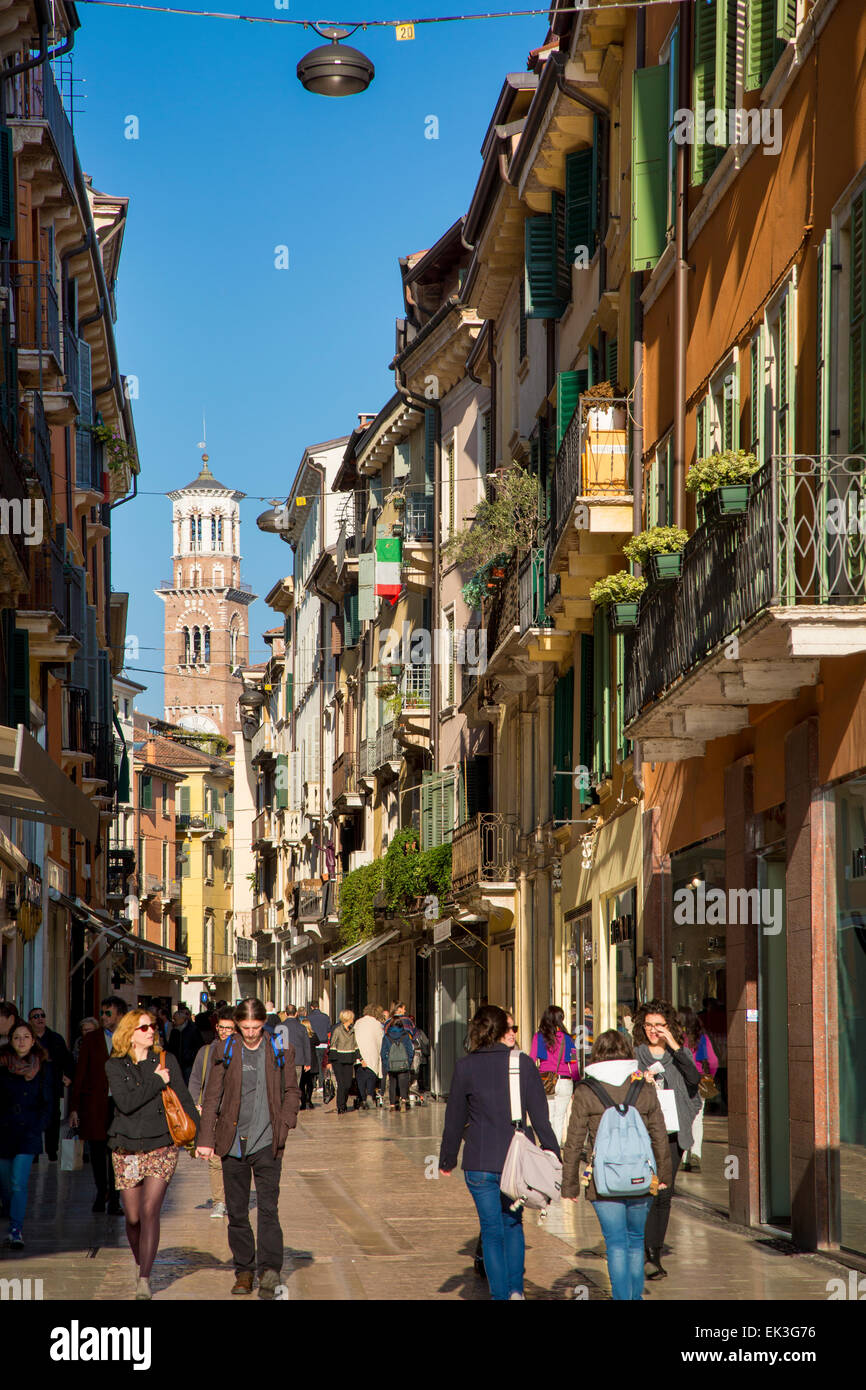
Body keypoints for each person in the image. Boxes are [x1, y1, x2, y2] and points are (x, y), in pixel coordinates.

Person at [439, 1004, 559, 1301]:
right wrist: (554, 1154)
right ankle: (517, 1290)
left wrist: (447, 1159)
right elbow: (541, 1117)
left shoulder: (465, 1066)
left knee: (491, 1231)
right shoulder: (524, 1064)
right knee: (513, 1225)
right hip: (516, 1161)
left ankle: (500, 1295)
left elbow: (454, 1118)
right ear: (502, 1030)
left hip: (479, 1161)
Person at [196, 998, 301, 1299]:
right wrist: (205, 1139)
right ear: (238, 1025)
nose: (251, 1033)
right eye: (246, 1028)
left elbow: (292, 1089)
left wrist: (287, 1119)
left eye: (256, 1027)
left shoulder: (281, 1049)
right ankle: (244, 1270)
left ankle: (269, 1272)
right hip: (232, 1144)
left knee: (268, 1210)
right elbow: (212, 1096)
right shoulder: (224, 1049)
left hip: (269, 1142)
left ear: (264, 1023)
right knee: (238, 1212)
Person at [561, 1029, 672, 1301]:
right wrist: (664, 1175)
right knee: (636, 1241)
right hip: (641, 1179)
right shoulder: (643, 1087)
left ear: (597, 1055)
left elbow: (573, 1142)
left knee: (616, 1245)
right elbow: (659, 1135)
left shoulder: (586, 1090)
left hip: (603, 1181)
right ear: (628, 1053)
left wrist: (570, 1185)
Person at [107, 1009, 198, 1300]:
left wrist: (201, 1136)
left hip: (162, 1145)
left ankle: (145, 1278)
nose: (151, 1031)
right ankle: (140, 1260)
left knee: (149, 1211)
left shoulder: (166, 1060)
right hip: (127, 1147)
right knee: (133, 1217)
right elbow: (126, 1102)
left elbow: (183, 1098)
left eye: (153, 1026)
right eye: (144, 1027)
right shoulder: (115, 1065)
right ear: (129, 1033)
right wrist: (157, 1081)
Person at [633, 1000, 701, 1279]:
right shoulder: (636, 1054)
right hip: (644, 1133)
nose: (653, 1031)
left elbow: (694, 1079)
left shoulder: (677, 1055)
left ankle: (654, 1254)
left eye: (659, 1026)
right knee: (645, 1193)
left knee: (664, 1193)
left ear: (669, 1027)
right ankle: (642, 1250)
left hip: (673, 1133)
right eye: (649, 1025)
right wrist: (640, 1079)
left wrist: (675, 1044)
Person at [70, 995, 128, 1214]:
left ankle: (114, 1198)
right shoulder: (91, 1039)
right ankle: (100, 1191)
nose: (103, 1017)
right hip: (95, 1104)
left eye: (108, 1013)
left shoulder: (129, 1038)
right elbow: (81, 1073)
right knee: (96, 1151)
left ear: (120, 1015)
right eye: (102, 1012)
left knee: (117, 1153)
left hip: (121, 1105)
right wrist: (74, 1107)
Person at [0, 1020, 54, 1246]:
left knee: (19, 1182)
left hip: (28, 1132)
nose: (21, 1041)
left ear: (33, 1040)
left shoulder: (43, 1066)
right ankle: (11, 1211)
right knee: (5, 1184)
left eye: (26, 1037)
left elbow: (48, 1101)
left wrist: (38, 1126)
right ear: (10, 1041)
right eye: (17, 1037)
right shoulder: (2, 1065)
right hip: (3, 1131)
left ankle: (16, 1229)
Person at [188, 1007, 236, 1218]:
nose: (224, 1031)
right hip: (212, 1111)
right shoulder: (206, 1051)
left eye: (229, 1028)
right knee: (216, 1159)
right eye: (221, 1027)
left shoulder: (242, 1052)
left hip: (236, 1112)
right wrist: (195, 1105)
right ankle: (219, 1201)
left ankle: (234, 1198)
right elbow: (196, 1079)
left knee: (235, 1158)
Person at [27, 1007, 75, 1162]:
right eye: (35, 1016)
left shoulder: (55, 1038)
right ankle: (34, 1152)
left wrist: (68, 1076)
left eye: (42, 1015)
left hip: (52, 1085)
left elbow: (67, 1060)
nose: (40, 1019)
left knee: (53, 1118)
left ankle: (52, 1150)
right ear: (30, 1020)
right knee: (33, 1119)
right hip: (32, 1086)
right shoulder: (27, 1038)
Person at [529, 1005, 580, 1145]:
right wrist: (577, 1083)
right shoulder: (568, 1039)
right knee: (560, 1118)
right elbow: (574, 1063)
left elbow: (532, 1060)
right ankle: (556, 1150)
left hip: (546, 1081)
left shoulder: (538, 1037)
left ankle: (549, 1149)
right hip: (565, 1082)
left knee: (549, 1117)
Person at [678, 1007, 718, 1173]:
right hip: (700, 1081)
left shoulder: (677, 1039)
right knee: (697, 1119)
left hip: (681, 1082)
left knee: (682, 1119)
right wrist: (709, 1077)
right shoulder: (701, 1039)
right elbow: (713, 1061)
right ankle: (695, 1154)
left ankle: (684, 1156)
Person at [382, 1011, 416, 1111]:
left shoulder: (387, 1036)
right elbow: (410, 1050)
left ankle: (392, 1105)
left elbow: (383, 1052)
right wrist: (408, 1062)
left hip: (391, 1064)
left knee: (392, 1083)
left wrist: (386, 1064)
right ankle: (404, 1101)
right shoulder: (405, 1036)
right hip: (403, 1064)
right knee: (403, 1083)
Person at [328, 1010, 360, 1115]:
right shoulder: (337, 1030)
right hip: (338, 1060)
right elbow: (332, 1045)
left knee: (348, 1084)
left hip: (349, 1059)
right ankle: (340, 1106)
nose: (353, 1020)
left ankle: (344, 1103)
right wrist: (330, 1061)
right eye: (352, 1018)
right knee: (341, 1084)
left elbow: (355, 1045)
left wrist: (360, 1058)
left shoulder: (353, 1030)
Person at [354, 1004, 384, 1109]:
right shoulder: (377, 1024)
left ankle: (362, 1098)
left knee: (360, 1078)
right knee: (371, 1077)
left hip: (359, 1054)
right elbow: (380, 1040)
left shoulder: (358, 1022)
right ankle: (370, 1094)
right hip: (372, 1053)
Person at [165, 1007, 203, 1084]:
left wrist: (190, 1056)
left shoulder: (193, 1030)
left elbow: (199, 1046)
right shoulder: (174, 1031)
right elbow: (171, 1047)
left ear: (182, 1019)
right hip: (177, 1063)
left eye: (175, 1019)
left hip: (188, 1063)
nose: (173, 1021)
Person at [280, 1005, 312, 1090]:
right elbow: (306, 1046)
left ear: (286, 1014)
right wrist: (307, 1062)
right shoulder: (301, 1027)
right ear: (296, 1014)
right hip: (298, 1060)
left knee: (284, 1085)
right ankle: (294, 1102)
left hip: (284, 1060)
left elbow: (276, 1046)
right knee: (296, 1085)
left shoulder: (279, 1027)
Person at [297, 1007, 319, 1109]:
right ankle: (309, 1100)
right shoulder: (313, 1036)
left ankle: (303, 1101)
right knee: (310, 1082)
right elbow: (318, 1042)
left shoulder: (300, 1036)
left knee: (302, 1082)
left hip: (303, 1060)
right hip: (312, 1060)